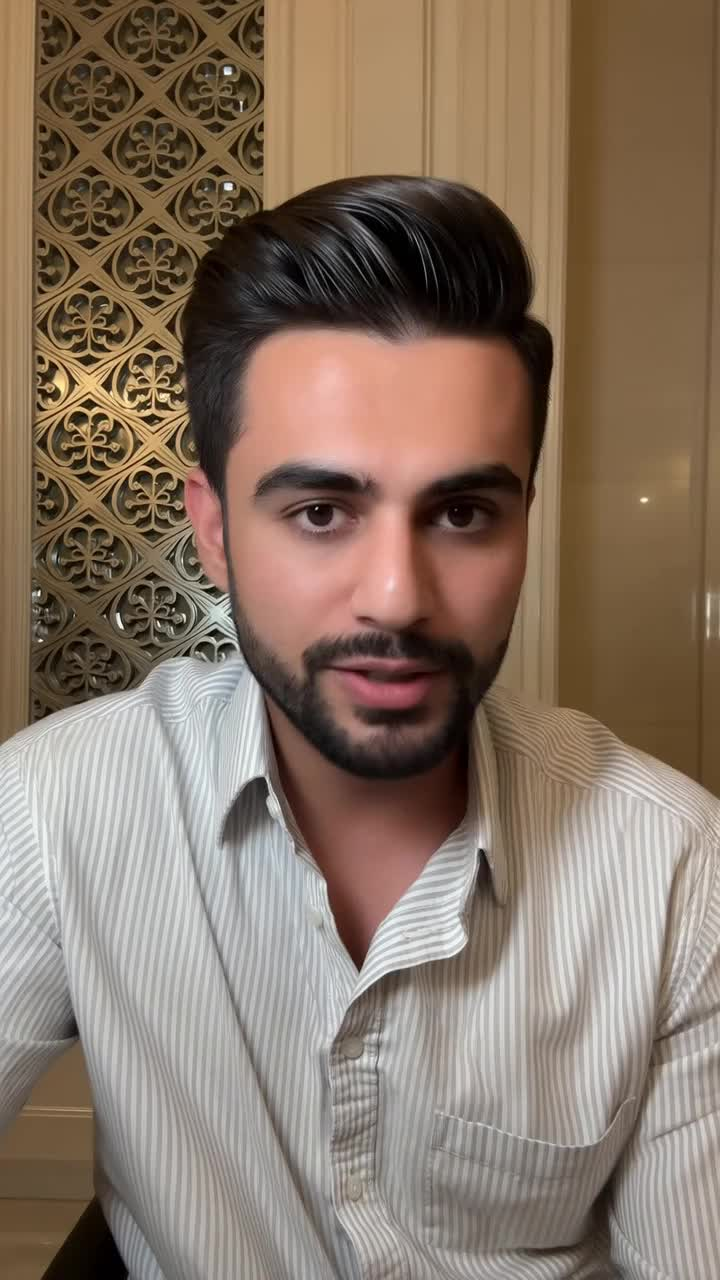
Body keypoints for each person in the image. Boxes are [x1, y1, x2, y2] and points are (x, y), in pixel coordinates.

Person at [1, 175, 718, 1280]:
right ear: (215, 531)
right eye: (321, 511)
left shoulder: (676, 871)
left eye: (463, 512)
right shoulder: (56, 811)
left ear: (524, 522)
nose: (396, 596)